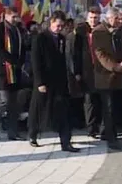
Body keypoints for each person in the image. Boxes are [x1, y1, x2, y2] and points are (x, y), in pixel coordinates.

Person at [28, 11, 80, 152]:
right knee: (39, 109)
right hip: (44, 81)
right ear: (51, 23)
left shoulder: (62, 38)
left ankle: (66, 142)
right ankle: (33, 134)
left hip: (59, 82)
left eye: (62, 26)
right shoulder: (40, 38)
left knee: (64, 111)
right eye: (57, 25)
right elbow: (36, 61)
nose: (59, 28)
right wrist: (40, 82)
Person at [91, 7, 122, 149]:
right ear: (109, 18)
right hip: (105, 76)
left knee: (114, 107)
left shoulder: (119, 31)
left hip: (119, 75)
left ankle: (105, 132)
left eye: (121, 19)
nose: (119, 21)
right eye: (117, 18)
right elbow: (100, 55)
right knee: (108, 108)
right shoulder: (99, 32)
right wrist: (115, 67)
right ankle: (112, 139)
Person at [0, 7, 26, 140]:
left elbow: (22, 47)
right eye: (13, 17)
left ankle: (13, 132)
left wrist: (20, 61)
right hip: (4, 71)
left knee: (14, 104)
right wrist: (12, 60)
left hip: (16, 71)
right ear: (6, 16)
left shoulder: (18, 29)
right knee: (4, 101)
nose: (16, 19)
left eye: (17, 17)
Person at [73, 6, 102, 138]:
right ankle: (91, 128)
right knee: (89, 100)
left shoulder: (102, 29)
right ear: (87, 18)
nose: (93, 20)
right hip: (86, 70)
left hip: (101, 70)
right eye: (91, 17)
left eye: (96, 17)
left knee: (100, 100)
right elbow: (75, 52)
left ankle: (100, 126)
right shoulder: (80, 30)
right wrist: (77, 71)